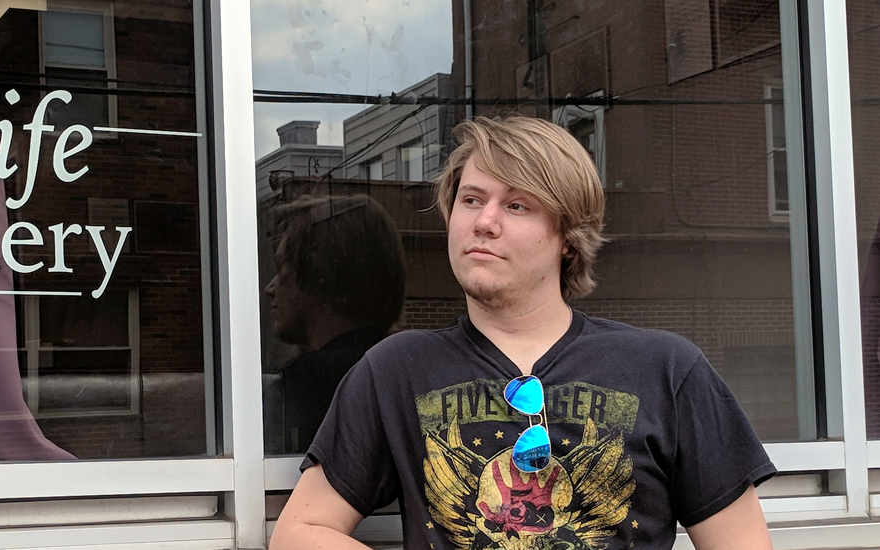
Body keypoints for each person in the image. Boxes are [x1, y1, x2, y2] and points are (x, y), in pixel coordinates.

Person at [270, 116, 776, 549]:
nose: (484, 221)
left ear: (567, 238)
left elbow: (742, 541)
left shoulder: (666, 369)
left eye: (517, 206)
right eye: (471, 199)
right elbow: (299, 531)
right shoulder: (395, 370)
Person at [263, 194, 406, 453]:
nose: (270, 288)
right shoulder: (410, 368)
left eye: (282, 267)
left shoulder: (305, 385)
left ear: (317, 272)